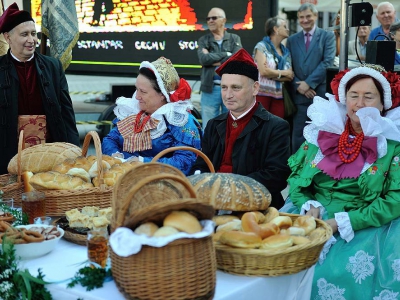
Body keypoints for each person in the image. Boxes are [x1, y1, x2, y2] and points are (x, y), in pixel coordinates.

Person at [281, 64, 400, 298]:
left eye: (369, 96)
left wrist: (345, 222)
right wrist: (308, 204)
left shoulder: (392, 145)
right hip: (312, 214)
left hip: (364, 224)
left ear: (382, 103)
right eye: (353, 96)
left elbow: (395, 199)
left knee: (335, 273)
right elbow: (297, 178)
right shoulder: (323, 132)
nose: (360, 103)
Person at [190, 49, 291, 209]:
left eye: (235, 88)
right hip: (212, 203)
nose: (228, 95)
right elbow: (202, 164)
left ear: (255, 88)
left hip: (254, 206)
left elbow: (276, 176)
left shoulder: (276, 127)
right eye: (224, 87)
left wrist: (228, 189)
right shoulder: (214, 124)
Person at [0, 3, 80, 175]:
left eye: (34, 33)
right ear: (8, 37)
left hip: (49, 152)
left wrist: (75, 150)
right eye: (24, 34)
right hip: (8, 154)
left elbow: (67, 113)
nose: (32, 40)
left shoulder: (52, 66)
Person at [102, 56, 202, 176]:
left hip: (163, 186)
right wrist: (115, 155)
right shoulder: (134, 112)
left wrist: (143, 163)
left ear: (162, 95)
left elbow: (185, 162)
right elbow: (110, 139)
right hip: (123, 179)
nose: (137, 96)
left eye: (143, 92)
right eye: (136, 89)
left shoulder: (180, 121)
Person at [286, 3, 336, 154]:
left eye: (308, 16)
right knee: (298, 136)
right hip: (299, 96)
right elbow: (289, 66)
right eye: (301, 17)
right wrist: (299, 86)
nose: (305, 20)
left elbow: (327, 62)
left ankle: (316, 172)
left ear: (315, 16)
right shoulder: (292, 40)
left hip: (319, 94)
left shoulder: (327, 36)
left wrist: (308, 84)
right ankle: (296, 171)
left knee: (320, 135)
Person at [197, 7, 242, 129]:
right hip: (210, 89)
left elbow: (236, 60)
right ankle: (209, 149)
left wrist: (212, 59)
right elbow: (203, 59)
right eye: (208, 18)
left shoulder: (234, 39)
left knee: (229, 126)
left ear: (223, 20)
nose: (210, 21)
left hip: (231, 90)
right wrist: (226, 54)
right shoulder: (204, 40)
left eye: (214, 18)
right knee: (209, 127)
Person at [252, 16, 294, 119]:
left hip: (279, 96)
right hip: (261, 94)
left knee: (277, 129)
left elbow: (290, 76)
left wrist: (272, 74)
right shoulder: (261, 47)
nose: (287, 29)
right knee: (260, 127)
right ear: (276, 29)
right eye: (284, 26)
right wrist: (282, 73)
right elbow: (263, 72)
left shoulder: (286, 52)